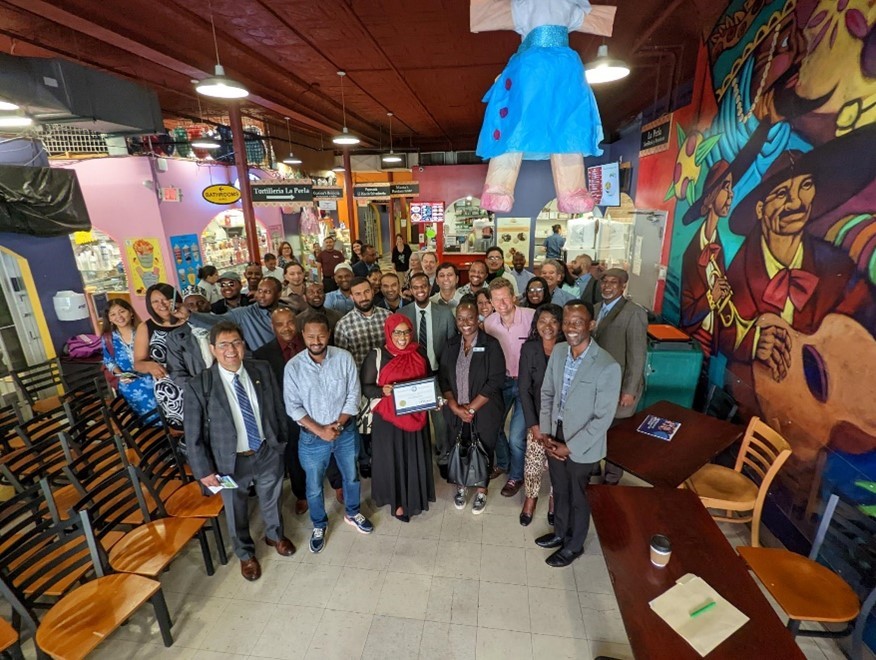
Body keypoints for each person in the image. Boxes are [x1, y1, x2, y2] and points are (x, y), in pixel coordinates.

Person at [185, 321, 295, 581]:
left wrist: (280, 443)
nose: (231, 350)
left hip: (266, 451)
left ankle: (274, 535)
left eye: (236, 342)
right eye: (223, 345)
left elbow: (277, 407)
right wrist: (203, 471)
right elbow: (193, 435)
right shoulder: (200, 385)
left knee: (272, 497)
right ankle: (245, 554)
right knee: (235, 509)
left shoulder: (262, 369)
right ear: (213, 349)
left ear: (243, 345)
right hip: (230, 461)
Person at [536, 301, 621, 568]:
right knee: (559, 490)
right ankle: (560, 532)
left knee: (577, 496)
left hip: (582, 445)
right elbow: (547, 392)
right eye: (567, 322)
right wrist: (547, 433)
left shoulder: (607, 366)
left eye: (578, 322)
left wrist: (569, 447)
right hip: (555, 434)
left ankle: (574, 546)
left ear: (591, 325)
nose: (571, 328)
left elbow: (602, 418)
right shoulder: (560, 351)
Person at [285, 315, 375, 553]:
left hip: (344, 431)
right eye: (311, 335)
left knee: (351, 476)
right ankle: (319, 524)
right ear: (302, 335)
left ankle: (353, 512)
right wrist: (321, 431)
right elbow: (293, 407)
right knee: (313, 486)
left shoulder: (343, 358)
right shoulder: (293, 367)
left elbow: (353, 395)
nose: (316, 340)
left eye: (321, 334)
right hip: (312, 438)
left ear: (329, 333)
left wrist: (336, 425)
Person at [361, 314, 435, 522]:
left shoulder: (419, 351)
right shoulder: (376, 356)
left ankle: (415, 497)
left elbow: (428, 379)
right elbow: (366, 388)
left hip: (416, 416)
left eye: (406, 332)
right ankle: (398, 503)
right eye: (397, 332)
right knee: (393, 460)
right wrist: (382, 391)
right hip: (388, 421)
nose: (402, 337)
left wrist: (432, 399)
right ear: (389, 332)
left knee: (413, 456)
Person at [439, 301, 506, 514]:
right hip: (456, 410)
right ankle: (461, 486)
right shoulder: (450, 345)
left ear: (478, 317)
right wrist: (455, 407)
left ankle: (481, 490)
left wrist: (472, 409)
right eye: (460, 318)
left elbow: (495, 380)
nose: (465, 323)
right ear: (456, 320)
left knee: (484, 449)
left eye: (470, 317)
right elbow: (443, 379)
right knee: (460, 447)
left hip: (485, 411)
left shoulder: (491, 344)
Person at [592, 268, 648, 485]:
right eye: (604, 282)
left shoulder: (634, 313)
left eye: (613, 282)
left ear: (623, 286)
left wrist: (629, 390)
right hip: (598, 385)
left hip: (620, 385)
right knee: (596, 427)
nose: (607, 286)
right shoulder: (596, 309)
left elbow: (637, 355)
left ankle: (612, 477)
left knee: (616, 433)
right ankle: (594, 466)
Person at [254, 308, 308, 515]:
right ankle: (301, 494)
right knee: (293, 455)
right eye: (280, 324)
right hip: (287, 415)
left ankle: (336, 485)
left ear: (297, 322)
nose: (287, 328)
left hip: (316, 408)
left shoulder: (310, 344)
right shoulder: (263, 355)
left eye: (290, 322)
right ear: (272, 326)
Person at [402, 272, 458, 468]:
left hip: (437, 374)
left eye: (423, 286)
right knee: (416, 419)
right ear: (410, 289)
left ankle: (444, 455)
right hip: (413, 377)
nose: (420, 290)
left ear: (429, 287)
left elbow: (452, 346)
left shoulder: (444, 313)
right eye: (415, 287)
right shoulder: (402, 314)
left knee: (440, 420)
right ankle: (420, 456)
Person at [484, 277, 533, 496]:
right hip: (501, 382)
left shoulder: (531, 318)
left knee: (515, 436)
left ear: (514, 297)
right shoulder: (489, 323)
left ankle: (516, 476)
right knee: (493, 427)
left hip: (525, 383)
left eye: (505, 297)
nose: (502, 303)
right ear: (491, 302)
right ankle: (503, 463)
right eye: (496, 299)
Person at [679, 161, 733, 356]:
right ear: (710, 197)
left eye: (731, 187)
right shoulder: (691, 253)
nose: (732, 194)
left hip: (713, 344)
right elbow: (686, 315)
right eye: (726, 187)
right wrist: (712, 297)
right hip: (693, 341)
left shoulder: (719, 249)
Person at [518, 303, 564, 526]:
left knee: (558, 462)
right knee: (533, 463)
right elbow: (524, 389)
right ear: (536, 324)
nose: (548, 326)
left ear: (561, 325)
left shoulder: (569, 347)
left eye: (554, 321)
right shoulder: (530, 349)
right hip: (537, 417)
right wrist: (533, 424)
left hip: (563, 422)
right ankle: (531, 498)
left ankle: (555, 499)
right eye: (543, 321)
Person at [134, 283, 189, 430]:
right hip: (171, 391)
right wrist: (149, 365)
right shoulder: (146, 327)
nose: (162, 305)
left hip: (198, 382)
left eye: (166, 299)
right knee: (183, 430)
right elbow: (138, 363)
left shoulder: (190, 320)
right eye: (155, 302)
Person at [188, 276, 285, 352]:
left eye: (267, 292)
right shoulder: (244, 314)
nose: (261, 296)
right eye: (259, 291)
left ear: (279, 294)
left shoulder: (288, 310)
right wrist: (189, 315)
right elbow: (217, 321)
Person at [100, 299, 158, 418]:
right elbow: (109, 361)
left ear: (131, 312)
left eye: (122, 311)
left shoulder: (144, 331)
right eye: (113, 314)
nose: (119, 317)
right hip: (129, 385)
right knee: (143, 419)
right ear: (109, 319)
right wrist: (121, 375)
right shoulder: (108, 338)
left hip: (153, 379)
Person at [334, 277, 392, 369]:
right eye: (358, 294)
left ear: (372, 292)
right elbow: (342, 361)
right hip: (359, 378)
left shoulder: (388, 316)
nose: (364, 297)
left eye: (367, 292)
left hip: (388, 373)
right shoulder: (343, 325)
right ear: (352, 297)